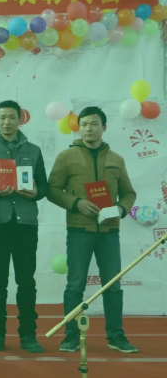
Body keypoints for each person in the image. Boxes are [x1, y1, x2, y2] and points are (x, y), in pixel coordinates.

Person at [47, 106, 138, 353]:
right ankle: (71, 335)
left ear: (104, 128)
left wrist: (121, 209)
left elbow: (129, 193)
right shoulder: (66, 157)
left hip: (109, 232)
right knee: (75, 285)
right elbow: (52, 189)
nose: (89, 128)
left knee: (113, 285)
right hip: (79, 231)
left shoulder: (116, 159)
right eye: (84, 124)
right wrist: (76, 203)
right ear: (79, 128)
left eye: (94, 124)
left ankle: (116, 335)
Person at [0, 100, 47, 353]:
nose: (7, 122)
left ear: (20, 120)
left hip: (26, 224)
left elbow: (44, 186)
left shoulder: (34, 150)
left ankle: (28, 334)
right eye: (2, 117)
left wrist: (37, 192)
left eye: (12, 117)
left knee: (26, 281)